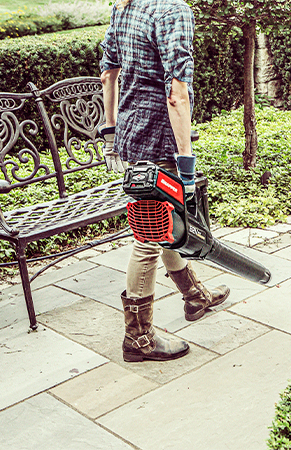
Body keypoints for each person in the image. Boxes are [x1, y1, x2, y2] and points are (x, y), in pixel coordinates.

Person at [99, 0, 230, 362]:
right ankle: (138, 339)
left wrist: (111, 130)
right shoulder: (172, 9)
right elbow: (177, 94)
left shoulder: (126, 5)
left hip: (131, 130)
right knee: (149, 238)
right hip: (159, 137)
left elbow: (108, 73)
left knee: (165, 222)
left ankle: (193, 295)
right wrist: (185, 161)